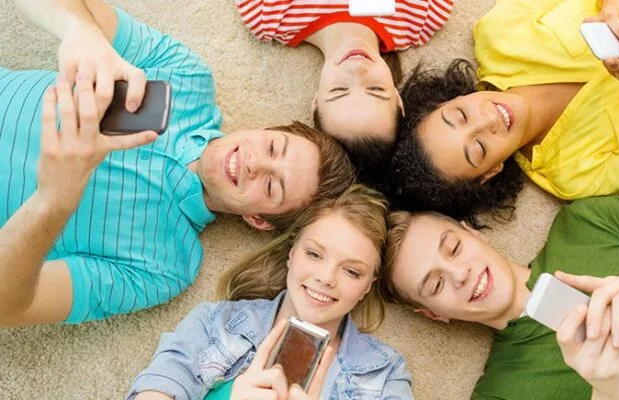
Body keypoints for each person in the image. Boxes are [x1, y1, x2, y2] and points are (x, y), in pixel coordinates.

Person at [0, 0, 354, 327]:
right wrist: (80, 30)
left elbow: (9, 306)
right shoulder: (185, 77)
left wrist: (53, 201)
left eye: (271, 186)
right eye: (273, 147)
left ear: (258, 219)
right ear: (264, 129)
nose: (255, 164)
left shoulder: (165, 266)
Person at [389, 0, 619, 224]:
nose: (488, 120)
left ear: (448, 100)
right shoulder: (576, 175)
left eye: (461, 115)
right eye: (478, 148)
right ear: (491, 172)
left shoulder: (500, 35)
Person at [380, 196, 619, 399]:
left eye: (454, 248)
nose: (460, 274)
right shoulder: (502, 394)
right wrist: (613, 394)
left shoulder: (585, 224)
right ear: (433, 314)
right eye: (436, 285)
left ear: (473, 232)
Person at [125, 185, 413, 400]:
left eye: (351, 271)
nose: (326, 278)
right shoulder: (214, 324)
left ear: (367, 286)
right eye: (314, 254)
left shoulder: (385, 373)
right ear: (292, 254)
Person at [235, 0, 454, 183]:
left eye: (339, 90)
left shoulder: (267, 14)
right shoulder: (422, 16)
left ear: (316, 102)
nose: (356, 69)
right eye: (375, 89)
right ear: (398, 99)